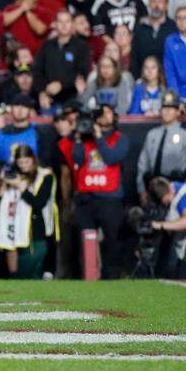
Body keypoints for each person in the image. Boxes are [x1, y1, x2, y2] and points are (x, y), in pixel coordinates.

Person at [61, 103, 131, 278]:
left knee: (112, 241)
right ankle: (87, 277)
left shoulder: (120, 138)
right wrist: (77, 138)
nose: (104, 115)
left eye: (107, 112)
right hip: (86, 198)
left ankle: (112, 278)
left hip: (110, 198)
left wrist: (99, 137)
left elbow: (112, 158)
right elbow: (76, 159)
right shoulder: (85, 138)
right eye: (101, 113)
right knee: (84, 242)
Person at [0, 145, 57, 279]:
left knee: (31, 271)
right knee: (10, 248)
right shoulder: (13, 175)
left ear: (33, 159)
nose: (23, 166)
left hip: (36, 229)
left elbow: (38, 204)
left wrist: (21, 187)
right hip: (13, 225)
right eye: (20, 162)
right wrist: (2, 187)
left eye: (26, 162)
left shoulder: (45, 176)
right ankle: (13, 277)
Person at [137, 90, 186, 202]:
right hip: (154, 186)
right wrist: (141, 190)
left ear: (178, 111)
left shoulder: (185, 134)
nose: (167, 111)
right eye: (164, 107)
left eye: (171, 108)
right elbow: (143, 164)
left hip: (176, 188)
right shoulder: (152, 134)